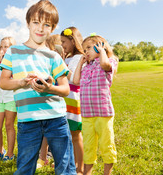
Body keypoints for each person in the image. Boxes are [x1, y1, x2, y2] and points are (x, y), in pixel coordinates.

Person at [0, 0, 76, 175]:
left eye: (46, 24)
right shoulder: (14, 52)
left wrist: (49, 88)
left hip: (56, 117)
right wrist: (21, 82)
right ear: (27, 23)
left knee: (65, 166)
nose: (40, 28)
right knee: (25, 167)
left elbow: (65, 89)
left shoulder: (54, 56)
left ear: (53, 28)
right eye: (35, 22)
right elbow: (3, 82)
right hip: (28, 120)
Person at [72, 34, 118, 175]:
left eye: (88, 48)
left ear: (100, 46)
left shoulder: (110, 61)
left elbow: (105, 65)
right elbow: (75, 81)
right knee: (88, 146)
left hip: (103, 113)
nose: (85, 52)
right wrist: (81, 62)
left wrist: (102, 51)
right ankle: (87, 173)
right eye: (84, 49)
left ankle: (106, 173)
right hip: (87, 114)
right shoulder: (86, 67)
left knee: (106, 144)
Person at [37, 34, 64, 169]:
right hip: (47, 99)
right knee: (45, 130)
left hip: (58, 99)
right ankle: (44, 155)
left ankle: (49, 156)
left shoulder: (58, 58)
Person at [60, 26, 85, 174]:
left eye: (64, 41)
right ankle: (70, 164)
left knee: (75, 135)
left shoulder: (78, 58)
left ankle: (80, 168)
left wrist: (62, 64)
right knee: (66, 135)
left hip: (73, 100)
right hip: (63, 100)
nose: (62, 45)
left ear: (72, 40)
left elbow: (75, 79)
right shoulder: (67, 58)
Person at [0, 37, 17, 162]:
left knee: (9, 125)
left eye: (6, 46)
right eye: (1, 47)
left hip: (11, 96)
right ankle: (1, 150)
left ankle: (10, 154)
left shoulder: (15, 61)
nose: (3, 49)